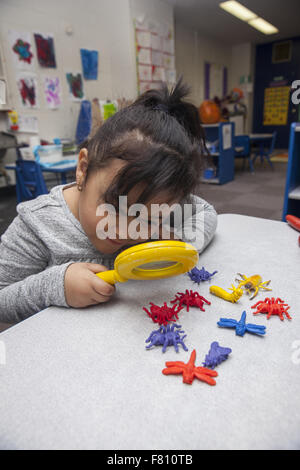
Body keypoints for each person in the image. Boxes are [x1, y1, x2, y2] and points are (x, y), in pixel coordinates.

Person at [0, 79, 217, 323]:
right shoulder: (38, 225)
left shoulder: (161, 198)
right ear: (83, 169)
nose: (126, 230)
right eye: (115, 206)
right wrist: (54, 286)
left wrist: (181, 244)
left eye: (149, 217)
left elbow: (206, 212)